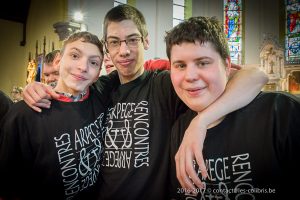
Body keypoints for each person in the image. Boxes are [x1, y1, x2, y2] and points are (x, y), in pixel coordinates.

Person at [22, 5, 267, 200]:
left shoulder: (163, 84)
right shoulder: (102, 89)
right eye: (115, 42)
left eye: (132, 40)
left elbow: (256, 75)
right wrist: (39, 87)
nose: (124, 50)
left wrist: (201, 122)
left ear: (146, 41)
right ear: (107, 47)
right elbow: (69, 90)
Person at [166, 16, 300, 199]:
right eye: (180, 65)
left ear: (227, 66)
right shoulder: (179, 129)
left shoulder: (281, 114)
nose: (190, 76)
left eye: (203, 63)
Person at [0, 31, 113, 200]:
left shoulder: (100, 95)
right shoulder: (23, 115)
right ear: (59, 61)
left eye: (93, 62)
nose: (83, 67)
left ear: (98, 74)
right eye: (75, 55)